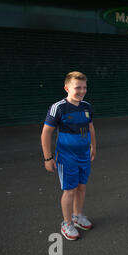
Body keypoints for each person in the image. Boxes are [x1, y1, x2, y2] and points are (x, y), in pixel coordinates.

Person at [41, 71, 96, 240]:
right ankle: (67, 223)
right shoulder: (58, 108)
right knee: (70, 190)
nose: (81, 91)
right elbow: (46, 133)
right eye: (77, 88)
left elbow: (91, 127)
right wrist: (48, 158)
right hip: (67, 157)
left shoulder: (86, 106)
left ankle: (77, 216)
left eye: (84, 87)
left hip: (84, 155)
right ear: (67, 88)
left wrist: (93, 146)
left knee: (81, 187)